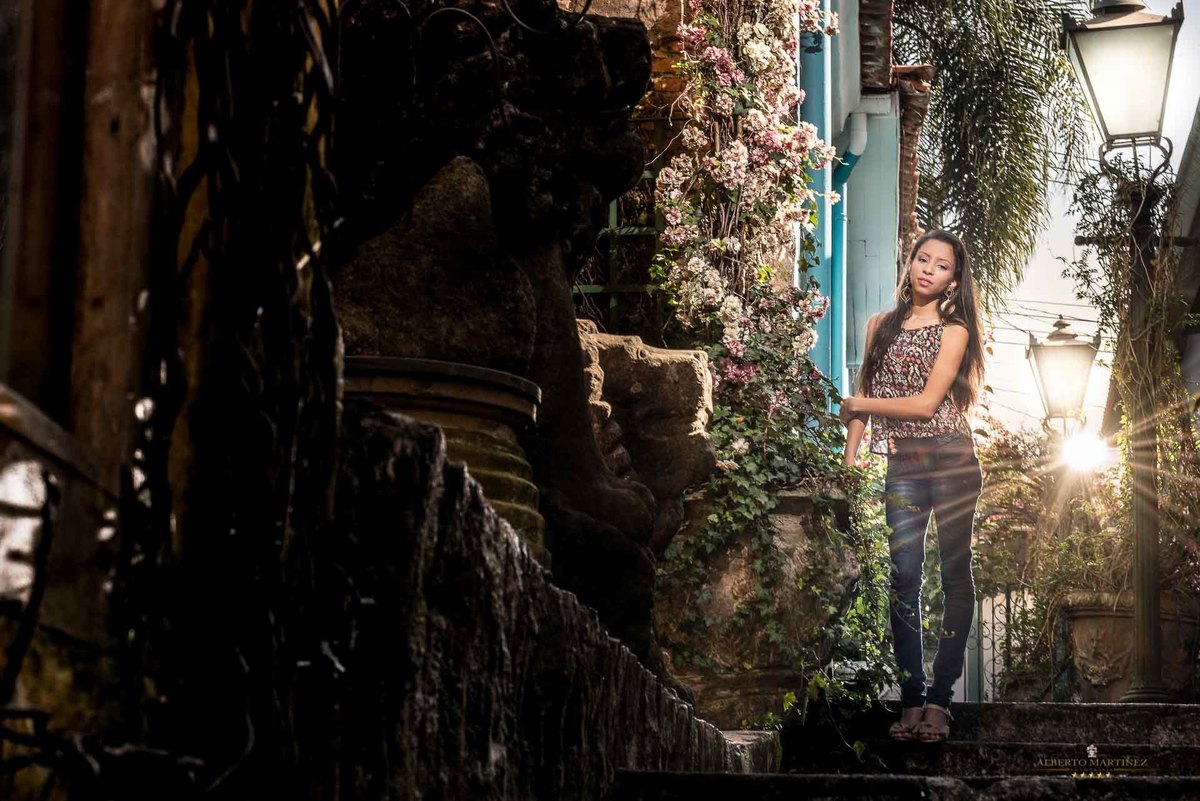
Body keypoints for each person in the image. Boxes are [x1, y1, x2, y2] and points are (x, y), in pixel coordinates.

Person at [839, 229, 986, 743]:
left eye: (940, 265)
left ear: (953, 278)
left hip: (951, 462)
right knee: (904, 578)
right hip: (902, 466)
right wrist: (850, 458)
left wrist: (859, 407)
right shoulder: (879, 326)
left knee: (953, 578)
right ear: (909, 261)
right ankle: (910, 698)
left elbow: (924, 405)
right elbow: (863, 394)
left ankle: (940, 701)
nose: (927, 269)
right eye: (921, 259)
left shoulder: (955, 330)